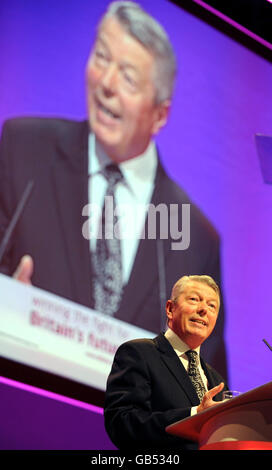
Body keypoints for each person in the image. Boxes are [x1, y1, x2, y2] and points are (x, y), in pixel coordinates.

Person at [0, 1, 226, 375]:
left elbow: (208, 394)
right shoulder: (23, 150)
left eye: (128, 78)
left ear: (160, 114)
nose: (106, 84)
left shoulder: (197, 239)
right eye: (101, 57)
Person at [104, 275, 228, 450]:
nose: (203, 310)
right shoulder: (139, 353)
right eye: (194, 299)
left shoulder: (217, 380)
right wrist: (194, 415)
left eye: (212, 306)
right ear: (170, 309)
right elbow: (122, 423)